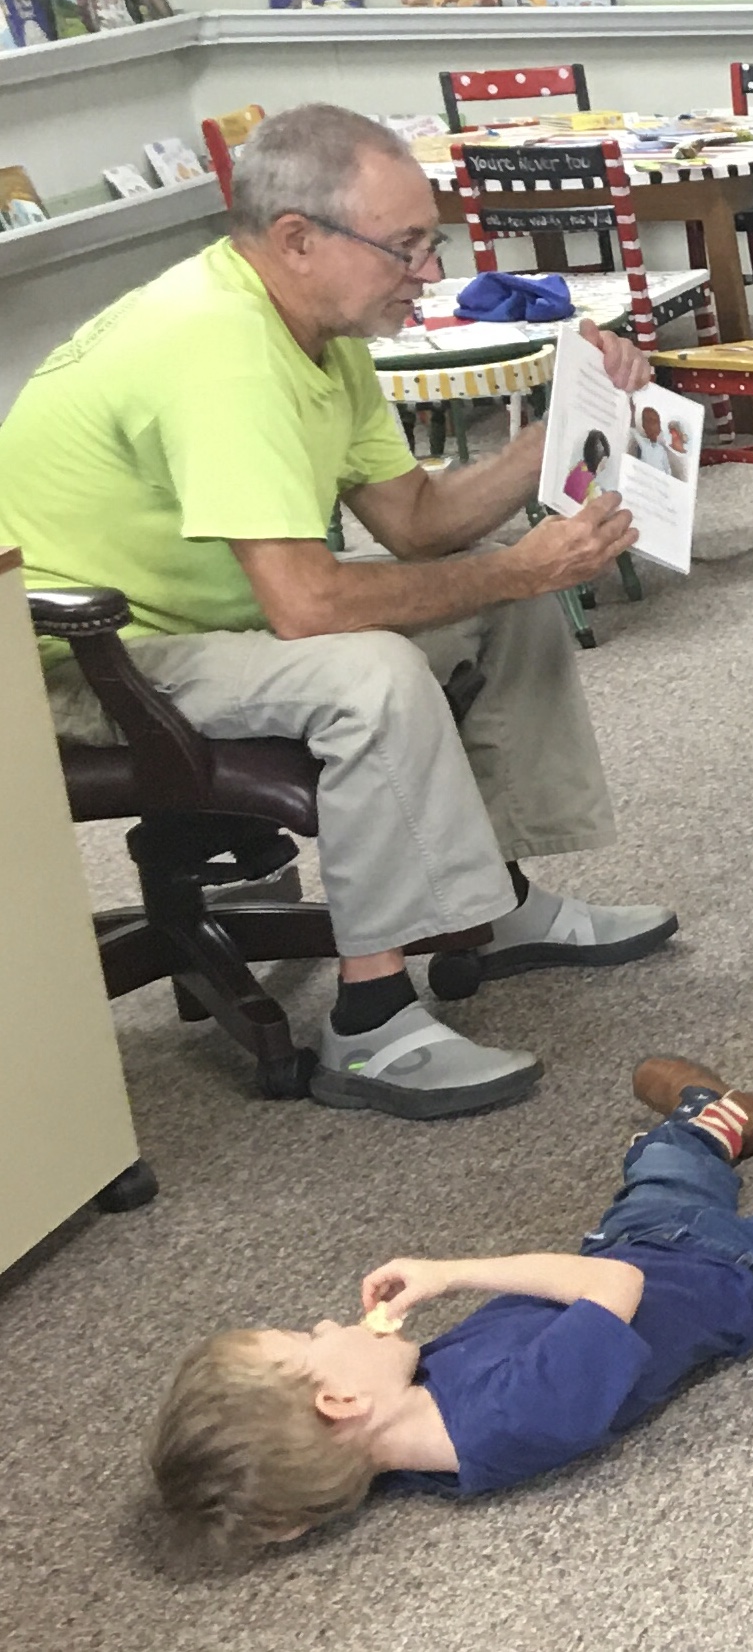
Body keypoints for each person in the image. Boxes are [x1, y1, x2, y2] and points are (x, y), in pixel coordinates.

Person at [0, 103, 678, 1121]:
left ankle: (488, 910)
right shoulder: (220, 349)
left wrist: (557, 432)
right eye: (405, 246)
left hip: (205, 621)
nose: (427, 272)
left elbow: (417, 524)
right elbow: (311, 606)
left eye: (430, 243)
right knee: (371, 673)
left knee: (508, 604)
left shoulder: (321, 332)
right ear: (296, 240)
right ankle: (369, 1024)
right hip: (80, 657)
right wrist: (514, 570)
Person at [145, 1029, 753, 1547]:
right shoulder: (509, 1420)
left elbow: (289, 1495)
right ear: (338, 1401)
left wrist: (286, 1501)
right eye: (307, 1337)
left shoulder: (395, 1430)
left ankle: (719, 1119)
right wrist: (454, 1271)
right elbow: (612, 1286)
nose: (328, 1320)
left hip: (656, 1245)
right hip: (734, 1276)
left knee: (663, 1167)